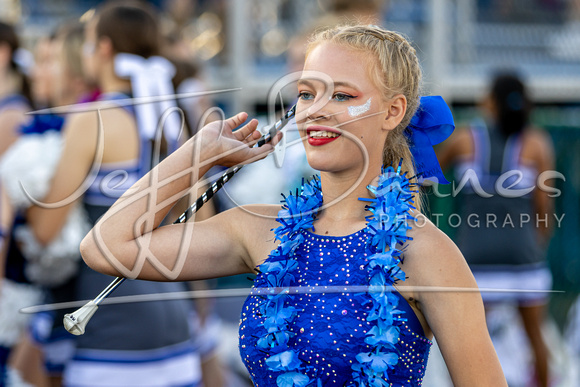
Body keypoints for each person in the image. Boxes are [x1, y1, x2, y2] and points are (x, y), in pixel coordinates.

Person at [80, 24, 507, 386]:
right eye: (306, 93)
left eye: (341, 96)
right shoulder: (257, 230)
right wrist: (198, 155)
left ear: (393, 111)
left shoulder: (427, 253)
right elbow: (106, 247)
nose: (316, 111)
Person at [25, 3, 202, 386]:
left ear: (103, 49)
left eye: (88, 45)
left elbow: (44, 230)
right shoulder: (171, 120)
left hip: (107, 331)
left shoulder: (95, 116)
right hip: (175, 324)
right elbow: (200, 220)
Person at [437, 72, 555, 387]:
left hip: (476, 260)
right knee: (536, 339)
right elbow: (544, 212)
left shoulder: (463, 138)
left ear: (490, 102)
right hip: (523, 258)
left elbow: (424, 175)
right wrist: (533, 248)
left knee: (466, 346)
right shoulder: (537, 143)